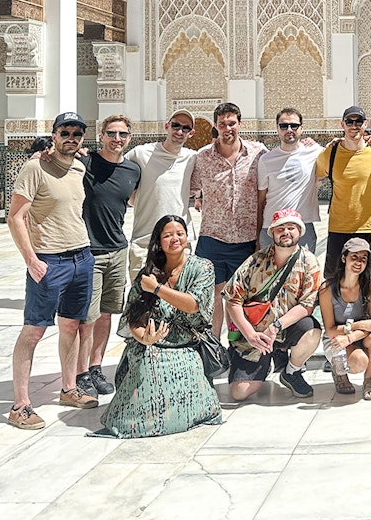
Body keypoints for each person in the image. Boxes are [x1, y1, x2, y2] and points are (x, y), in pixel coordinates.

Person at [6, 112, 98, 429]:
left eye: (77, 133)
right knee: (34, 330)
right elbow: (15, 217)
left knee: (72, 325)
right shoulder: (35, 167)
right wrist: (31, 259)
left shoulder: (78, 168)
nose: (71, 138)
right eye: (65, 132)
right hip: (49, 260)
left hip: (81, 257)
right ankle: (20, 405)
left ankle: (69, 389)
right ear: (54, 135)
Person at [93, 215, 223, 438]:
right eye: (168, 235)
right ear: (159, 241)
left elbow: (194, 305)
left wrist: (157, 289)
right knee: (148, 368)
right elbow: (133, 316)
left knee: (181, 371)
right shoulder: (148, 274)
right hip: (150, 344)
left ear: (187, 237)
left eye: (179, 233)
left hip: (187, 344)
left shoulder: (203, 267)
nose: (175, 239)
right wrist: (143, 337)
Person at [223, 209, 324, 400]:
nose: (286, 232)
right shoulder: (255, 261)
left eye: (291, 228)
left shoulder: (309, 262)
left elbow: (307, 305)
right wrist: (250, 335)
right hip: (256, 334)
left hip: (284, 328)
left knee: (312, 330)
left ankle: (291, 371)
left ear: (300, 232)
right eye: (281, 229)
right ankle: (268, 363)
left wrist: (276, 327)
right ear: (273, 233)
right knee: (239, 392)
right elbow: (233, 299)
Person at [76, 114, 141, 398]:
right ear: (101, 135)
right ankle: (80, 373)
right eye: (112, 133)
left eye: (123, 134)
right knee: (86, 317)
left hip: (117, 249)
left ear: (130, 138)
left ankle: (96, 367)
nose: (117, 139)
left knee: (105, 315)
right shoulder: (85, 162)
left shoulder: (132, 170)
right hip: (89, 251)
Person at [191, 102, 267, 336]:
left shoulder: (257, 153)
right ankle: (214, 347)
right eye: (222, 124)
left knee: (241, 297)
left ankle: (238, 347)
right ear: (216, 125)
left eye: (232, 123)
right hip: (212, 237)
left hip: (246, 240)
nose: (227, 128)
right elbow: (190, 188)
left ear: (239, 124)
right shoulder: (203, 157)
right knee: (212, 295)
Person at [316, 106, 371, 277]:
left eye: (359, 122)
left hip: (369, 226)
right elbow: (314, 180)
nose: (354, 126)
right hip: (339, 226)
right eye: (349, 122)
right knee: (335, 280)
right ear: (342, 124)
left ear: (366, 124)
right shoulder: (330, 153)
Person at [126, 109, 198, 275]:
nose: (180, 131)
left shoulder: (193, 158)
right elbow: (115, 165)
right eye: (176, 125)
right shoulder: (140, 153)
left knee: (177, 296)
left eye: (185, 128)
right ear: (167, 126)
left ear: (191, 133)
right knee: (142, 298)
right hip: (145, 242)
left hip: (179, 244)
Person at [318, 238, 371, 400]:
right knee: (358, 362)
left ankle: (369, 380)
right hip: (336, 339)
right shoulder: (327, 288)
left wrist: (351, 336)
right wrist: (359, 325)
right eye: (354, 257)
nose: (359, 262)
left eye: (363, 259)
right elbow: (330, 329)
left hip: (357, 336)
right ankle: (338, 371)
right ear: (344, 258)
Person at [257, 108, 322, 252]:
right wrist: (257, 234)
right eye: (284, 126)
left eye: (294, 125)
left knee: (302, 273)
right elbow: (261, 200)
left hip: (302, 226)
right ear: (277, 129)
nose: (289, 130)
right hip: (272, 227)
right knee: (270, 273)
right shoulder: (266, 159)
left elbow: (339, 148)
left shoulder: (315, 152)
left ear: (302, 128)